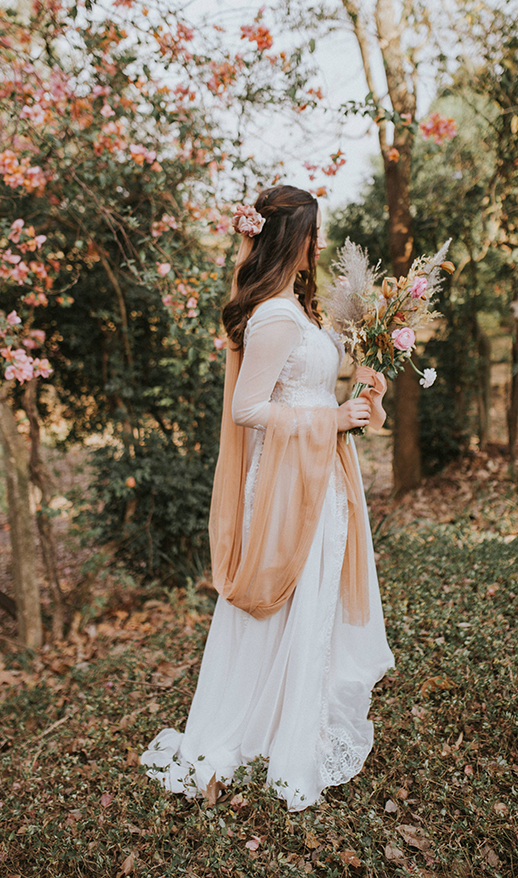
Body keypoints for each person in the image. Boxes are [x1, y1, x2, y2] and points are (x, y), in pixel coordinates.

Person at [141, 185, 394, 811]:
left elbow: (314, 396)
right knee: (287, 595)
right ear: (292, 239)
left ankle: (296, 722)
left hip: (322, 472)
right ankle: (255, 733)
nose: (319, 245)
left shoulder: (298, 312)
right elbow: (247, 408)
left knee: (315, 594)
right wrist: (328, 422)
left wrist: (363, 399)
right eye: (313, 234)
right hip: (285, 480)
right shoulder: (274, 318)